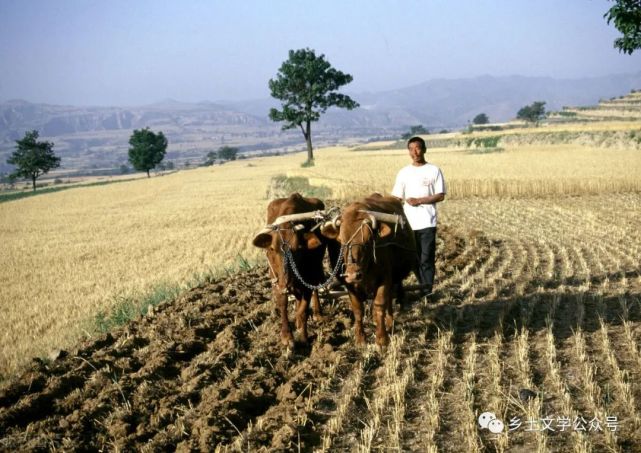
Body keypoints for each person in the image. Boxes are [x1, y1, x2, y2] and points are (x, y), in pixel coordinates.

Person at [391, 136, 446, 298]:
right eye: (411, 149)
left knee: (427, 258)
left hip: (427, 222)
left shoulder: (433, 170)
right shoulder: (404, 173)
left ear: (424, 149)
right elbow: (396, 198)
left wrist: (419, 200)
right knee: (413, 260)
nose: (415, 152)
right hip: (408, 225)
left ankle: (427, 291)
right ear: (408, 152)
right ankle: (423, 287)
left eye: (418, 148)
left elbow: (440, 195)